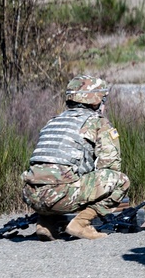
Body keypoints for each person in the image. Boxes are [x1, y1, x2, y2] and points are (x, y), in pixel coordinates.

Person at [21, 75, 130, 241]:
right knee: (119, 180)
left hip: (31, 196)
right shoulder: (98, 123)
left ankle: (46, 223)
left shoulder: (53, 121)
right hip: (60, 196)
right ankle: (82, 223)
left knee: (59, 178)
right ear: (96, 100)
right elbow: (110, 166)